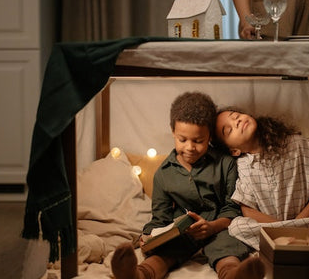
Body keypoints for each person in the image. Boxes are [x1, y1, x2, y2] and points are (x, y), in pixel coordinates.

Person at [111, 92, 265, 279]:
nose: (190, 147)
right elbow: (160, 217)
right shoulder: (164, 174)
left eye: (198, 141)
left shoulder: (225, 163)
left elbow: (232, 207)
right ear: (173, 132)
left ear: (209, 136)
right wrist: (149, 236)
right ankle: (137, 275)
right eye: (182, 140)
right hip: (183, 232)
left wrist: (213, 226)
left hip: (219, 227)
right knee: (165, 252)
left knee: (228, 249)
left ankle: (234, 275)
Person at [214, 108, 309, 224]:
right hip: (273, 230)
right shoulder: (243, 166)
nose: (237, 122)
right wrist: (280, 230)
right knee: (237, 226)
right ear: (234, 151)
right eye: (229, 130)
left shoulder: (297, 143)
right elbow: (247, 209)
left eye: (236, 116)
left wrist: (298, 224)